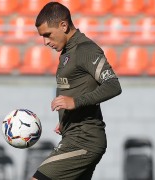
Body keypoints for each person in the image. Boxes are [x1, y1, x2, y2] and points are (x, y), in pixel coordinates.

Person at [33, 2, 122, 180]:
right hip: (74, 136)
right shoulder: (68, 52)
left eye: (48, 35)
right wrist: (67, 118)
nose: (45, 42)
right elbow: (80, 86)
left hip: (84, 141)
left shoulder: (85, 49)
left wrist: (75, 102)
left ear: (63, 25)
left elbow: (113, 85)